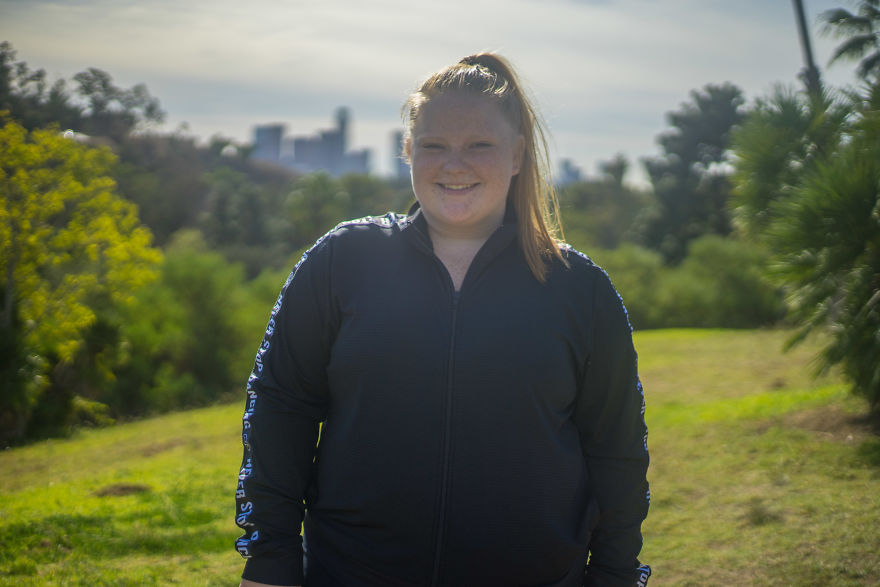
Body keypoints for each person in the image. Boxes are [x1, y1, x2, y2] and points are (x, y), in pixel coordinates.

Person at [235, 53, 651, 587]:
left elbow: (617, 449)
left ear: (518, 154)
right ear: (408, 151)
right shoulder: (342, 261)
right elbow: (279, 407)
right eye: (434, 146)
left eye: (479, 145)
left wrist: (616, 575)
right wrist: (269, 558)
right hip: (352, 573)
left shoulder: (580, 288)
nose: (455, 165)